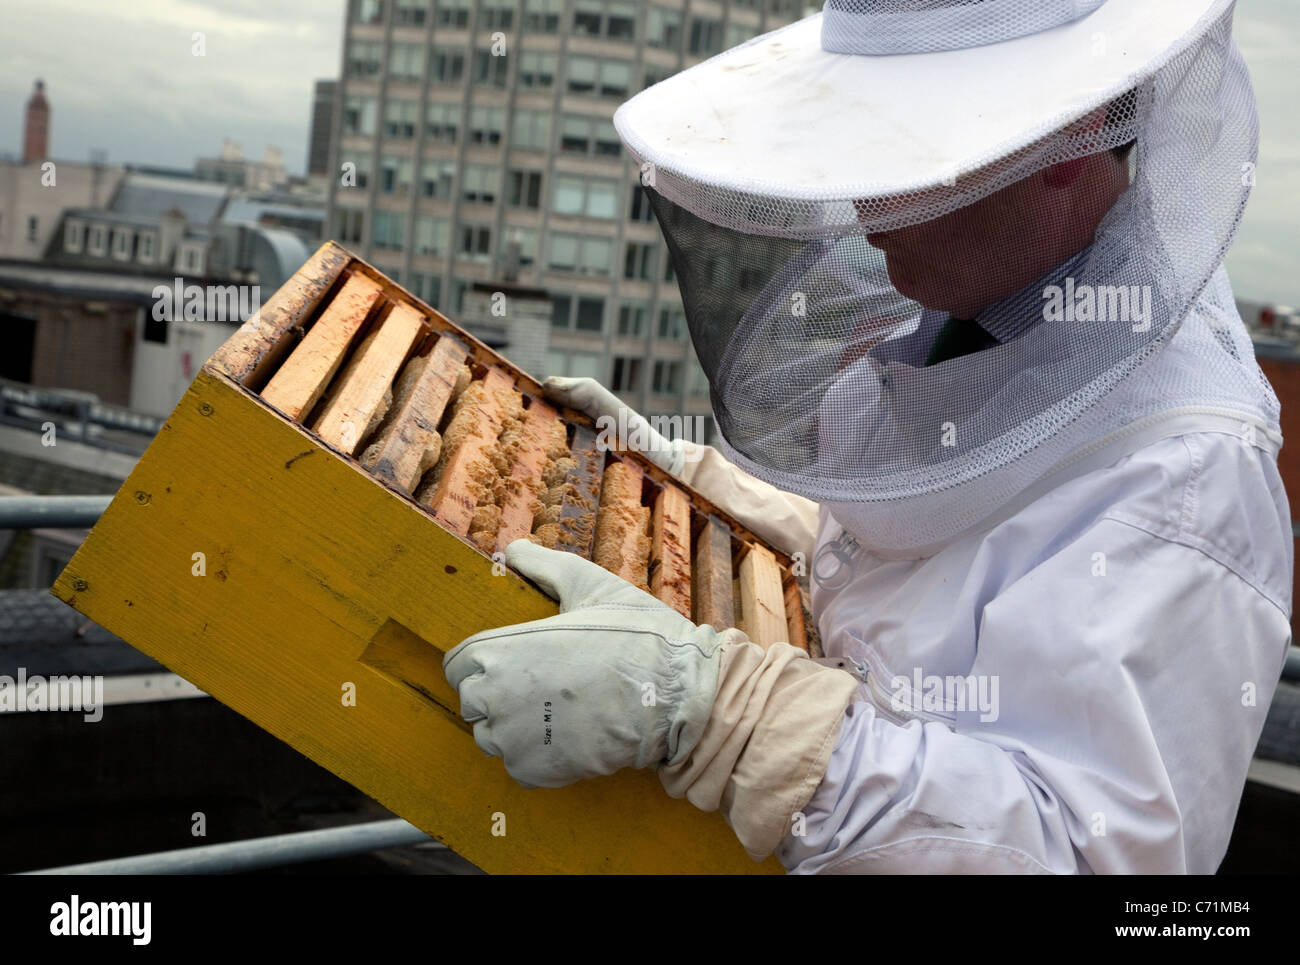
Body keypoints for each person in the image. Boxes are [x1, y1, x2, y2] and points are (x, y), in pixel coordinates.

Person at [443, 0, 1292, 873]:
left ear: (1067, 139)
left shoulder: (1185, 482)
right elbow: (906, 569)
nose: (866, 207)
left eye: (909, 152)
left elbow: (1080, 856)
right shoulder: (979, 323)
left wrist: (726, 716)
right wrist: (694, 486)